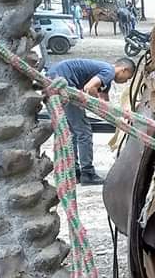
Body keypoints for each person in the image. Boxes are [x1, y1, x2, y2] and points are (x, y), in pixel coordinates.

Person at [49, 57, 135, 185]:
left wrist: (121, 115)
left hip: (55, 79)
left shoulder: (106, 81)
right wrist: (95, 102)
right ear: (124, 70)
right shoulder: (109, 71)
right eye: (128, 78)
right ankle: (87, 173)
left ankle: (74, 172)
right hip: (63, 84)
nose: (125, 81)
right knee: (83, 132)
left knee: (73, 132)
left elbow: (105, 105)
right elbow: (89, 88)